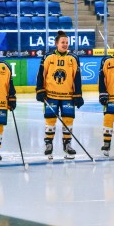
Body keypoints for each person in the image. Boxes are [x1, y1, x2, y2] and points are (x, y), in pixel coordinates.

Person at [36, 30, 83, 159]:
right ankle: (49, 144)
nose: (65, 44)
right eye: (63, 42)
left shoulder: (73, 58)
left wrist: (78, 94)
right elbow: (41, 75)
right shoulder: (48, 57)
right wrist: (40, 90)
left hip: (68, 96)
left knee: (68, 120)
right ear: (56, 43)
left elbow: (77, 78)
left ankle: (67, 144)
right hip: (51, 95)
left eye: (67, 43)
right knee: (50, 120)